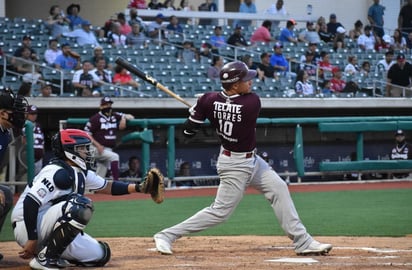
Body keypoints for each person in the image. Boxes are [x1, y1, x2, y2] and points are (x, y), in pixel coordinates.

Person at [153, 61, 332, 256]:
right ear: (235, 85)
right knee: (220, 213)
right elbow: (223, 107)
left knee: (279, 188)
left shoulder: (209, 100)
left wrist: (197, 111)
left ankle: (302, 241)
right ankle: (167, 235)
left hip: (251, 160)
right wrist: (204, 108)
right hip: (235, 164)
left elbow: (188, 131)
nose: (251, 82)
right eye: (246, 79)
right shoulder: (250, 102)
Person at [11, 128, 158, 269]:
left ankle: (50, 252)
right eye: (83, 148)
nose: (88, 152)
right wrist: (32, 238)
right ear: (70, 151)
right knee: (80, 206)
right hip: (27, 225)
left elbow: (108, 186)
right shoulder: (55, 171)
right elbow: (30, 203)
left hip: (48, 226)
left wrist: (140, 187)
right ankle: (45, 260)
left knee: (101, 254)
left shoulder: (79, 172)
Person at [0, 88, 27, 261]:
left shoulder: (5, 133)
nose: (19, 116)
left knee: (7, 194)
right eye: (14, 112)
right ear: (2, 113)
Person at [85, 97, 134, 181]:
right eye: (106, 105)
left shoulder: (114, 116)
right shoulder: (95, 118)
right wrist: (98, 145)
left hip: (107, 149)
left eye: (110, 104)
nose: (108, 107)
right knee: (114, 157)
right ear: (101, 106)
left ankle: (94, 189)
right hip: (95, 148)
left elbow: (131, 116)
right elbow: (86, 133)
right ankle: (116, 182)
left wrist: (123, 119)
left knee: (102, 168)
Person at [23, 105, 44, 175]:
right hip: (27, 157)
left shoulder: (38, 125)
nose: (34, 116)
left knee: (37, 180)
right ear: (27, 114)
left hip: (39, 158)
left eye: (35, 113)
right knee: (26, 180)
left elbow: (42, 141)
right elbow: (22, 141)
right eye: (32, 114)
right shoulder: (24, 124)